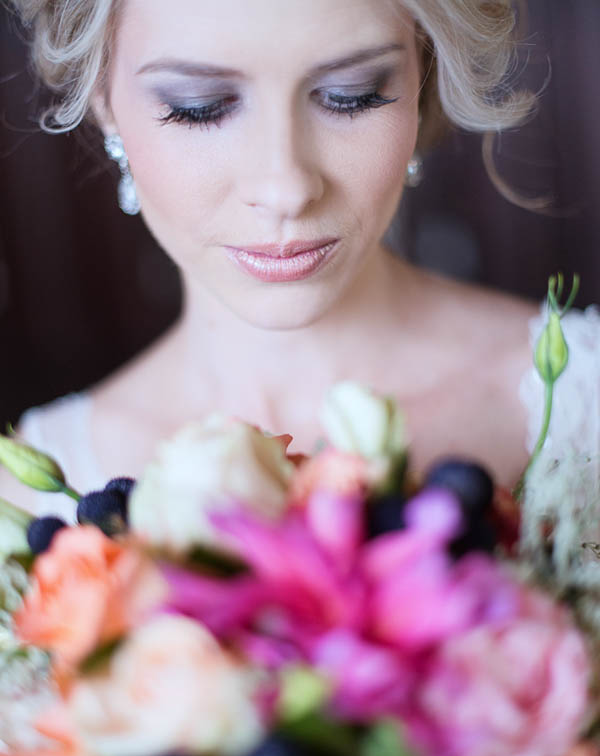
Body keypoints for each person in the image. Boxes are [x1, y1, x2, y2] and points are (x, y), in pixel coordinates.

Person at [1, 0, 597, 518]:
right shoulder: (34, 494)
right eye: (200, 105)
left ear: (421, 78)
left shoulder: (582, 405)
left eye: (351, 95)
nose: (286, 187)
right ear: (104, 98)